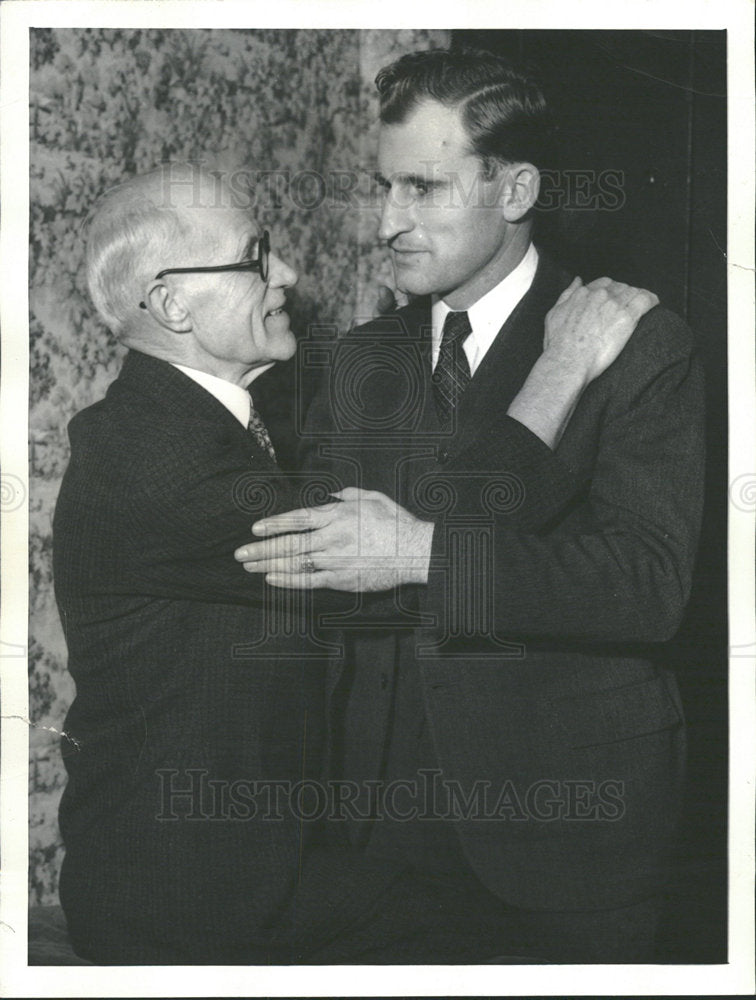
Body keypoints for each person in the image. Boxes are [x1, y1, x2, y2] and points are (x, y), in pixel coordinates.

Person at [54, 161, 646, 964]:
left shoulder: (206, 430)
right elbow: (423, 543)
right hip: (186, 902)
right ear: (171, 303)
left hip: (253, 869)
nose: (288, 275)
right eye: (256, 256)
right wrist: (562, 365)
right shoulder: (150, 460)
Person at [235, 48, 705, 963]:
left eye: (423, 188)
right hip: (380, 835)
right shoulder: (362, 355)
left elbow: (648, 587)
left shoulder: (637, 342)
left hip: (570, 832)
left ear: (516, 188)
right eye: (384, 187)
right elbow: (338, 569)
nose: (386, 222)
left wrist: (420, 555)